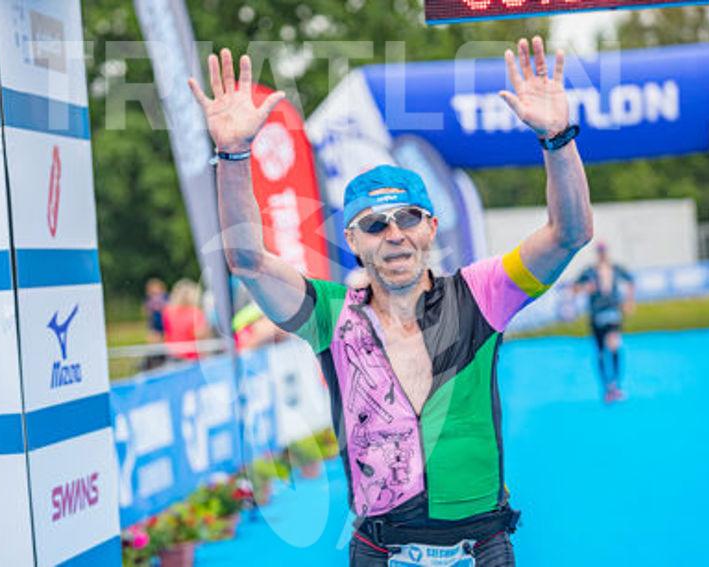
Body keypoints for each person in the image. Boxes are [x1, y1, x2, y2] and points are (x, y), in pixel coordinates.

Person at [189, 36, 593, 567]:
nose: (394, 234)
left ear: (431, 227)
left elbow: (569, 234)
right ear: (352, 241)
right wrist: (234, 155)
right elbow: (248, 261)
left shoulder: (480, 294)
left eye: (407, 218)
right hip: (380, 549)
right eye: (375, 225)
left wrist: (558, 139)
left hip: (481, 546)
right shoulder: (331, 315)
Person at [572, 243, 635, 404]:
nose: (602, 254)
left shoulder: (615, 269)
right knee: (600, 352)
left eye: (604, 252)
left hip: (613, 312)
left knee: (614, 346)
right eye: (600, 252)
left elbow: (631, 281)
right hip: (596, 315)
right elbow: (575, 288)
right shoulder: (589, 271)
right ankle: (607, 387)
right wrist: (586, 288)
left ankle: (616, 384)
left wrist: (629, 301)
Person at [162, 279, 211, 361]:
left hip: (173, 354)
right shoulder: (196, 313)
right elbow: (200, 335)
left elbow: (167, 334)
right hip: (193, 357)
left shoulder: (168, 312)